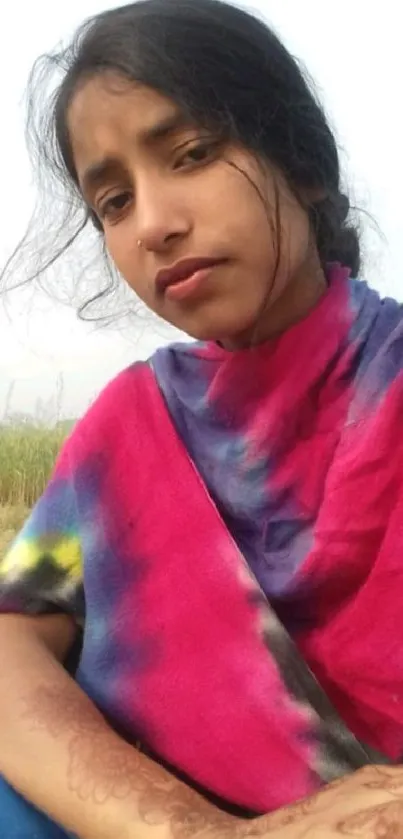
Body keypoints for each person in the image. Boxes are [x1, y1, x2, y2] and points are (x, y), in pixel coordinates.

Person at [1, 0, 403, 836]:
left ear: (303, 165)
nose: (153, 224)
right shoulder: (131, 427)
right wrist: (197, 829)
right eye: (112, 202)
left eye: (192, 153)